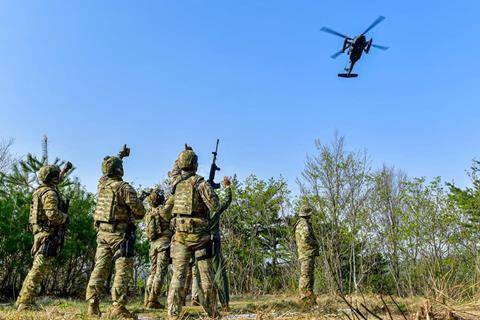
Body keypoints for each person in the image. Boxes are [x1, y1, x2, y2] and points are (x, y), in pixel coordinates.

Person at [166, 146, 232, 318]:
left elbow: (175, 170)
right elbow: (216, 206)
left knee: (178, 276)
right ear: (195, 165)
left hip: (179, 236)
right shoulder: (201, 183)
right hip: (200, 238)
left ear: (180, 164)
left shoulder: (175, 182)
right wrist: (226, 189)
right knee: (206, 276)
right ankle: (212, 313)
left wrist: (181, 154)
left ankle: (173, 314)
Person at [85, 148, 146, 319]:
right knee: (123, 270)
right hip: (119, 235)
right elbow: (140, 211)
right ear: (119, 170)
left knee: (100, 268)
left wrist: (120, 157)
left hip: (102, 234)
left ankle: (93, 305)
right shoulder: (123, 188)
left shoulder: (102, 184)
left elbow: (107, 170)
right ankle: (118, 307)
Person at [16, 164, 70, 310]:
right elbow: (52, 214)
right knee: (39, 270)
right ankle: (25, 303)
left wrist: (64, 171)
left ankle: (23, 299)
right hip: (48, 234)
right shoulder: (50, 193)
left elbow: (57, 180)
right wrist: (65, 217)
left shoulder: (39, 191)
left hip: (40, 233)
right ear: (53, 178)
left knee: (36, 268)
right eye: (57, 176)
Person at [144, 189, 174, 309]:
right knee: (160, 273)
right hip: (164, 245)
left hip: (152, 246)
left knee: (152, 272)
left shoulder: (149, 213)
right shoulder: (164, 210)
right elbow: (173, 199)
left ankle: (147, 299)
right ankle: (153, 300)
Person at [295, 205, 320, 305]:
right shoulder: (303, 224)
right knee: (306, 276)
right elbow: (306, 237)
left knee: (308, 276)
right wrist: (315, 242)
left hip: (306, 253)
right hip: (307, 253)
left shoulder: (301, 223)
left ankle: (309, 298)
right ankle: (305, 299)